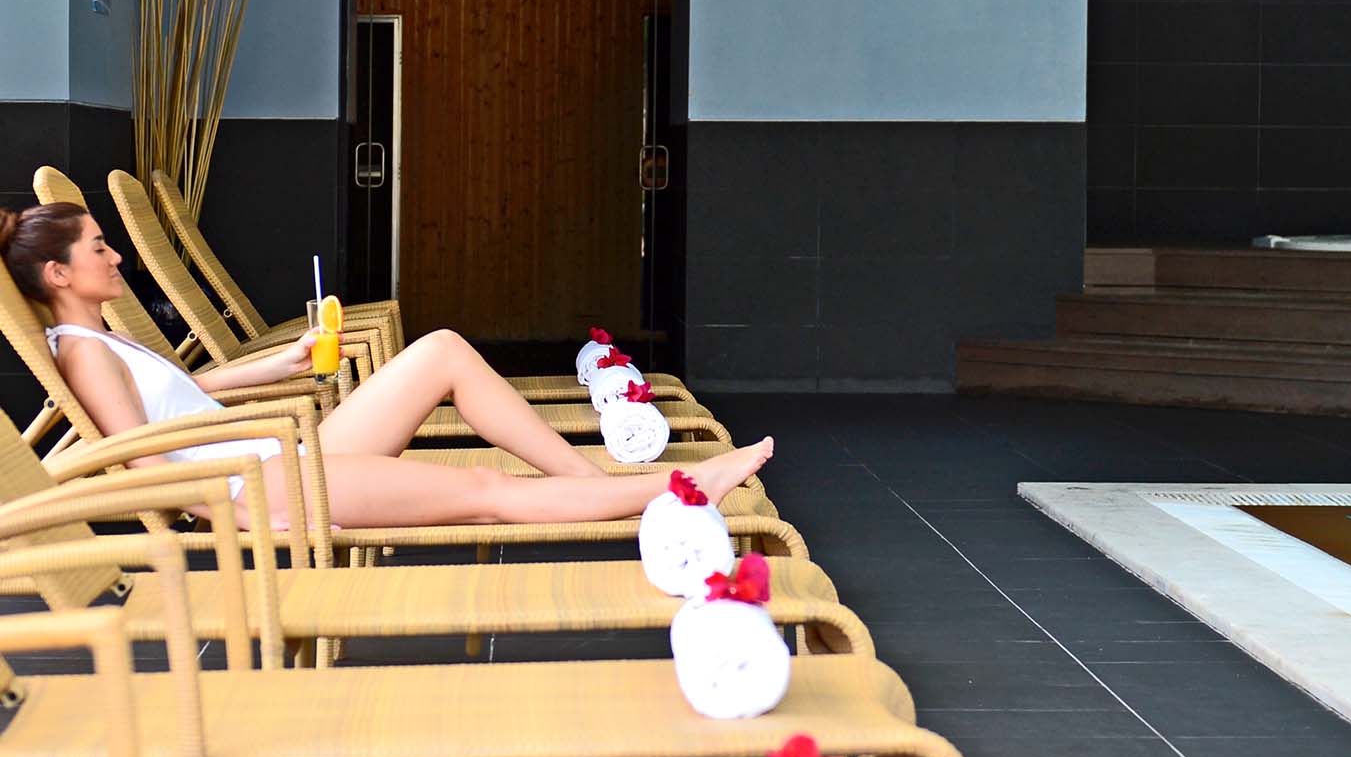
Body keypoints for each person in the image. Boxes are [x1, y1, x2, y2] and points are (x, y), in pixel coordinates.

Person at [0, 202, 772, 529]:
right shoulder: (84, 353)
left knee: (441, 350)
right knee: (483, 490)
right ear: (59, 275)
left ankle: (595, 486)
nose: (116, 254)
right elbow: (143, 468)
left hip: (277, 456)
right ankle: (657, 498)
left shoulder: (106, 340)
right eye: (99, 247)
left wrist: (287, 361)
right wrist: (248, 519)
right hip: (263, 488)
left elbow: (188, 396)